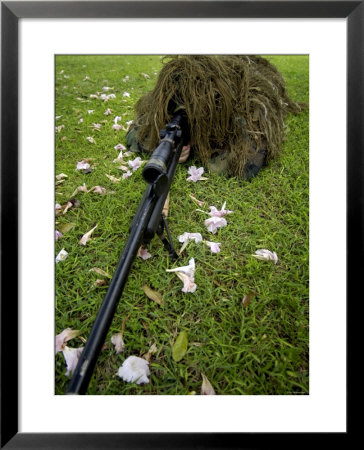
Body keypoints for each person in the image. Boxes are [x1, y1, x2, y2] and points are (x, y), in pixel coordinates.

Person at [126, 55, 303, 180]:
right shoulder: (169, 93)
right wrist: (164, 145)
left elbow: (247, 166)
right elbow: (136, 132)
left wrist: (199, 147)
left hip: (253, 67)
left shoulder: (246, 103)